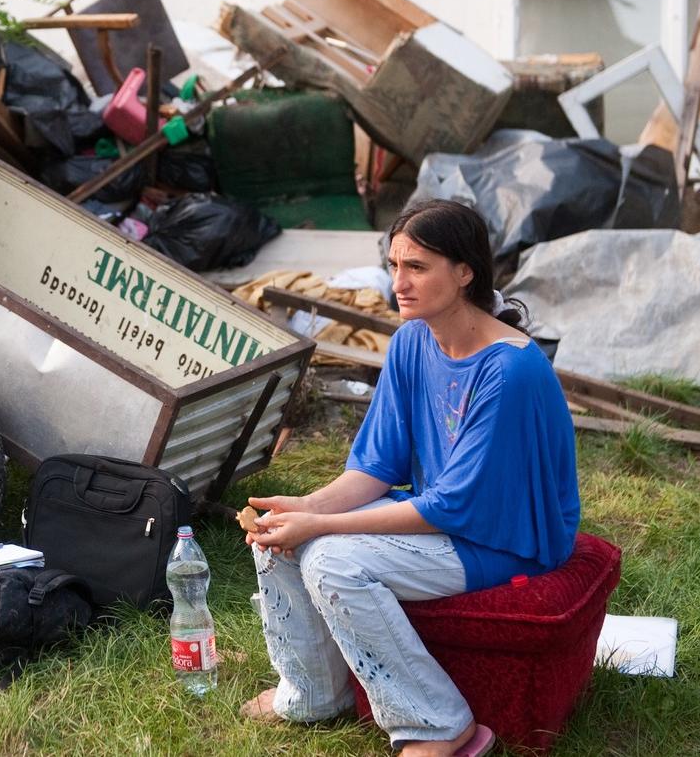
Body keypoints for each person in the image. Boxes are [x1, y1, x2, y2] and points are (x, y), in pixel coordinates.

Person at [240, 199, 580, 757]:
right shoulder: (412, 341)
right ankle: (313, 694)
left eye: (417, 267)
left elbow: (452, 507)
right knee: (278, 534)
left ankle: (437, 724)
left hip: (506, 538)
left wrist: (321, 527)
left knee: (330, 560)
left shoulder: (510, 371)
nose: (399, 281)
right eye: (395, 265)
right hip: (445, 515)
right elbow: (376, 467)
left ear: (465, 272)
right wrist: (307, 506)